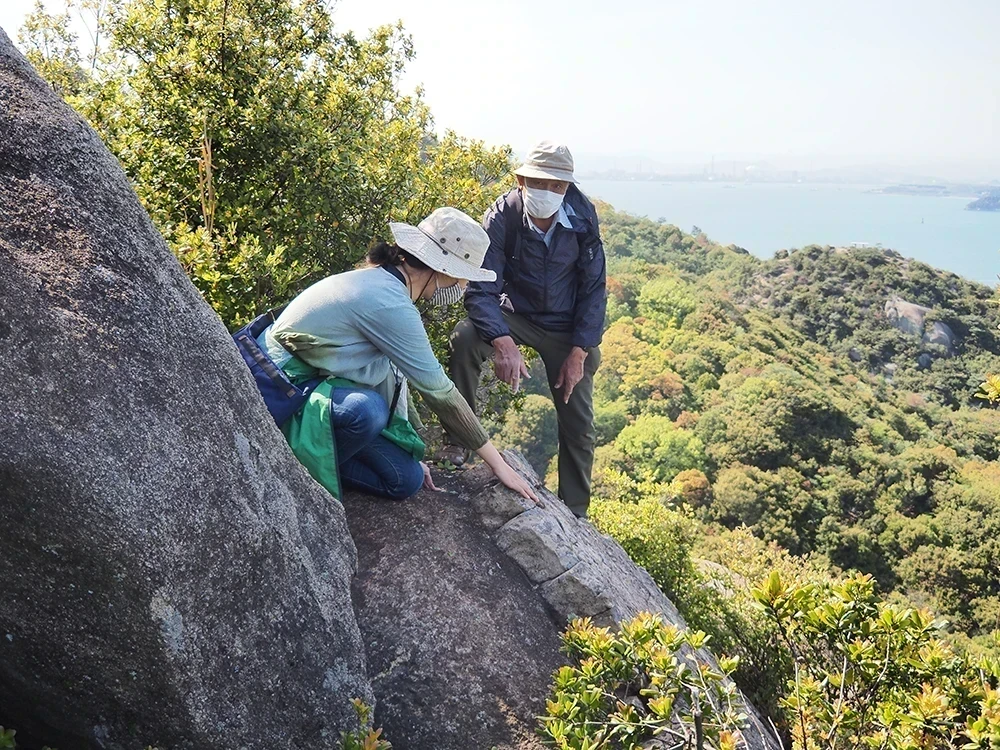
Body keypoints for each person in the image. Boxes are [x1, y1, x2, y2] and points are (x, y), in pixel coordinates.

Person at [258, 206, 538, 504]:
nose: (464, 286)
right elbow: (440, 393)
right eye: (464, 278)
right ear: (444, 271)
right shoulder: (390, 303)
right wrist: (498, 465)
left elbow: (395, 374)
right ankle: (295, 468)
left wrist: (409, 447)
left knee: (405, 478)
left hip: (311, 388)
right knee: (367, 411)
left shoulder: (386, 285)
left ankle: (322, 461)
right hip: (282, 390)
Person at [443, 141, 606, 518]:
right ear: (520, 179)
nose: (548, 192)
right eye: (539, 182)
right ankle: (458, 441)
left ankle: (575, 512)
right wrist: (502, 341)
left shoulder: (582, 218)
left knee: (578, 422)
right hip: (516, 314)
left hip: (566, 326)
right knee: (465, 337)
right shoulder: (504, 215)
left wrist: (579, 352)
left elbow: (594, 289)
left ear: (567, 187)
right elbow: (482, 285)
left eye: (558, 186)